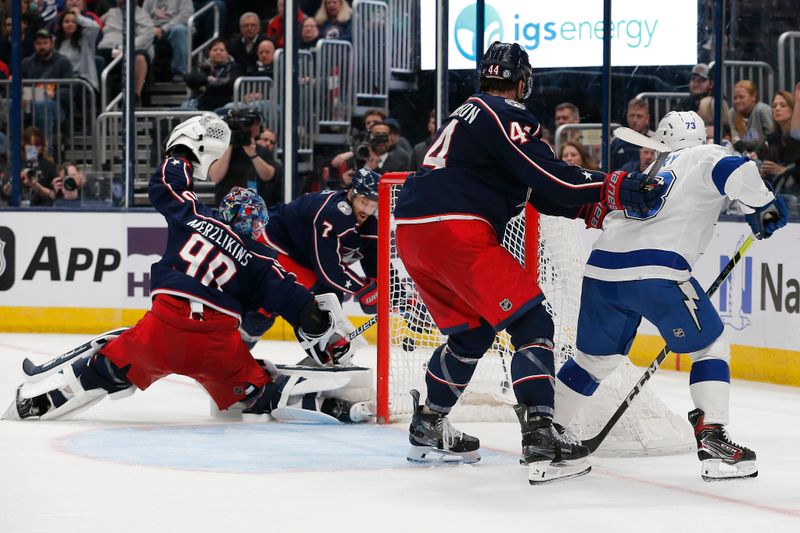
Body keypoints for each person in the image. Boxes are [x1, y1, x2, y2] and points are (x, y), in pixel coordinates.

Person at [392, 42, 666, 483]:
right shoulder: (506, 113)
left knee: (470, 334)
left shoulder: (466, 115)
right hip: (456, 228)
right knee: (533, 323)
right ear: (522, 83)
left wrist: (590, 206)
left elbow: (537, 189)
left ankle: (428, 423)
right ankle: (541, 435)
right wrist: (613, 185)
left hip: (412, 232)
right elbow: (553, 178)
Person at [5, 113, 368, 424]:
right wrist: (329, 340)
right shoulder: (262, 260)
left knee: (107, 368)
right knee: (262, 392)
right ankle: (333, 408)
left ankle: (36, 403)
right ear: (257, 225)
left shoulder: (194, 216)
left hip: (162, 330)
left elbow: (165, 185)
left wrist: (183, 152)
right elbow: (301, 307)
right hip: (217, 347)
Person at [554, 111, 789, 481]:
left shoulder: (653, 171)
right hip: (657, 273)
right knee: (710, 347)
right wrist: (763, 205)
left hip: (602, 271)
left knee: (591, 362)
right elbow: (736, 170)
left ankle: (548, 437)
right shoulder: (703, 154)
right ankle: (713, 438)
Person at [257, 168, 380, 317]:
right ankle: (249, 326)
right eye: (363, 202)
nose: (366, 210)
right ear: (352, 192)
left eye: (372, 205)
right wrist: (362, 289)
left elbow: (375, 260)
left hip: (299, 253)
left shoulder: (370, 221)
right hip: (274, 243)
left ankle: (328, 338)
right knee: (317, 295)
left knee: (330, 298)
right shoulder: (334, 213)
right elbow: (328, 271)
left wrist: (393, 293)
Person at [207, 107, 279, 205]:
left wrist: (253, 155)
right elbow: (215, 177)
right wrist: (230, 144)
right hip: (227, 207)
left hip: (253, 209)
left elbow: (268, 176)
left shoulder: (261, 151)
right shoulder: (222, 149)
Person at [20, 28, 74, 153]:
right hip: (28, 104)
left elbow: (70, 91)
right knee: (9, 104)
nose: (42, 46)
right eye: (38, 43)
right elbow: (16, 88)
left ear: (52, 44)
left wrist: (54, 94)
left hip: (56, 108)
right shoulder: (26, 63)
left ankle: (46, 154)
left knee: (41, 105)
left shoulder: (63, 62)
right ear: (34, 45)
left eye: (45, 43)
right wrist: (20, 96)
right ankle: (12, 155)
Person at [97, 2, 154, 104]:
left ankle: (135, 96)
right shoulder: (110, 13)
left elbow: (146, 37)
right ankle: (99, 100)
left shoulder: (143, 15)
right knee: (97, 60)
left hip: (131, 50)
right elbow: (96, 26)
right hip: (107, 49)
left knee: (140, 58)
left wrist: (125, 48)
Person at [755, 89, 800, 193]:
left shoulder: (798, 137)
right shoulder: (772, 138)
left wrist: (784, 171)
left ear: (794, 109)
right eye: (774, 106)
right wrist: (763, 171)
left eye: (783, 105)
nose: (777, 109)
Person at [184, 37, 243, 112]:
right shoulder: (202, 66)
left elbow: (230, 84)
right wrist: (208, 79)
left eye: (221, 50)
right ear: (209, 52)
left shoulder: (233, 67)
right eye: (215, 50)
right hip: (199, 105)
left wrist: (206, 87)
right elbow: (189, 78)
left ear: (227, 53)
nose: (218, 52)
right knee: (183, 108)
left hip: (223, 106)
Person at [142, 0, 193, 83]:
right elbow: (143, 17)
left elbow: (185, 16)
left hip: (176, 27)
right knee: (141, 33)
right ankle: (146, 75)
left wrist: (164, 29)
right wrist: (151, 29)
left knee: (178, 30)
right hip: (154, 28)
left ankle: (179, 71)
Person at [54, 6, 101, 91]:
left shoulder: (86, 38)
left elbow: (95, 27)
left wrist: (79, 17)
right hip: (62, 81)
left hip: (84, 83)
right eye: (66, 22)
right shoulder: (55, 41)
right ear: (61, 24)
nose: (70, 24)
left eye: (74, 22)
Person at [729, 79, 773, 154]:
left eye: (741, 97)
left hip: (764, 154)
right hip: (742, 153)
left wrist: (757, 153)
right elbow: (735, 138)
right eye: (735, 98)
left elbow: (772, 137)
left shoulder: (762, 110)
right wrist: (745, 153)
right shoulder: (733, 112)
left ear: (753, 97)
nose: (737, 101)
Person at [610, 97, 652, 170]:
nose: (635, 120)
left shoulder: (655, 141)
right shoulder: (616, 142)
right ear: (627, 116)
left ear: (647, 119)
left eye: (639, 116)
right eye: (632, 115)